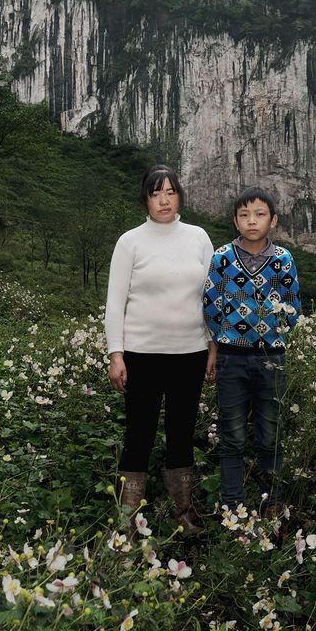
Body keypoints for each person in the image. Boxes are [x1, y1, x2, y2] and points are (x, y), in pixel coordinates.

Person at [105, 165, 216, 535]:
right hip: (142, 354)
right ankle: (126, 523)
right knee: (139, 434)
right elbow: (115, 302)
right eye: (156, 193)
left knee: (182, 433)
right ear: (146, 199)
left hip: (190, 352)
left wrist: (213, 344)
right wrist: (115, 353)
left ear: (180, 195)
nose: (164, 200)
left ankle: (182, 514)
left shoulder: (199, 238)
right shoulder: (130, 242)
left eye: (170, 191)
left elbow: (212, 297)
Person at [203, 187, 300, 514]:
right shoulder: (222, 257)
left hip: (271, 359)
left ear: (272, 220)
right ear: (235, 221)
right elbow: (210, 303)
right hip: (231, 358)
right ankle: (233, 507)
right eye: (244, 215)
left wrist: (271, 333)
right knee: (232, 436)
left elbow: (293, 306)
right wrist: (225, 336)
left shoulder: (283, 261)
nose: (252, 221)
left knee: (270, 435)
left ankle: (271, 502)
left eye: (259, 214)